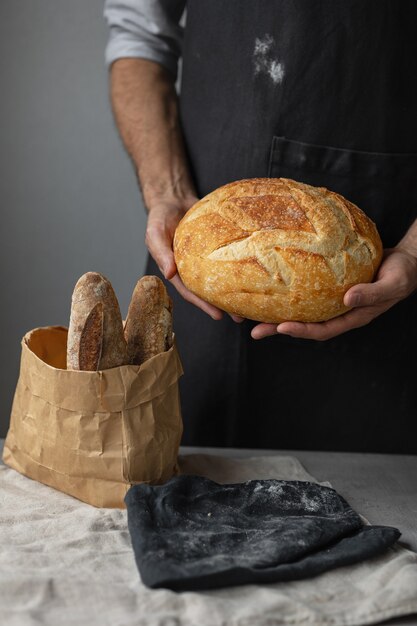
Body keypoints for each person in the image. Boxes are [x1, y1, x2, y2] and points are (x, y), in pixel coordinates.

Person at [103, 0, 417, 453]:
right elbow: (139, 37)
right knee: (193, 485)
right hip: (206, 252)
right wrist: (167, 192)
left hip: (394, 264)